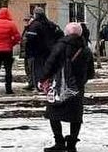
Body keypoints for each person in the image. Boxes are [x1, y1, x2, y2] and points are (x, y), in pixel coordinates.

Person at [40, 23, 95, 152]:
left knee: (53, 112)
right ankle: (72, 144)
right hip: (77, 87)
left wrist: (43, 78)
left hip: (59, 86)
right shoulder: (85, 49)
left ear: (66, 32)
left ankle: (59, 142)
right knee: (75, 115)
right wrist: (81, 81)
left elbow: (50, 64)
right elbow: (91, 72)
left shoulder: (60, 46)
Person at [25, 7, 62, 88]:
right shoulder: (51, 24)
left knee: (38, 70)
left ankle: (40, 86)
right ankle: (48, 85)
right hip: (50, 51)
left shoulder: (34, 25)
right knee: (48, 69)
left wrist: (29, 51)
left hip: (37, 52)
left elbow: (30, 39)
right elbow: (60, 35)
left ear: (36, 15)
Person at [21, 16, 34, 90]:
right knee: (27, 69)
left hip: (30, 52)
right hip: (26, 52)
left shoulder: (32, 28)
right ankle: (30, 82)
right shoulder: (27, 28)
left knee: (31, 68)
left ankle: (32, 83)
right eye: (25, 20)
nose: (26, 22)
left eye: (27, 20)